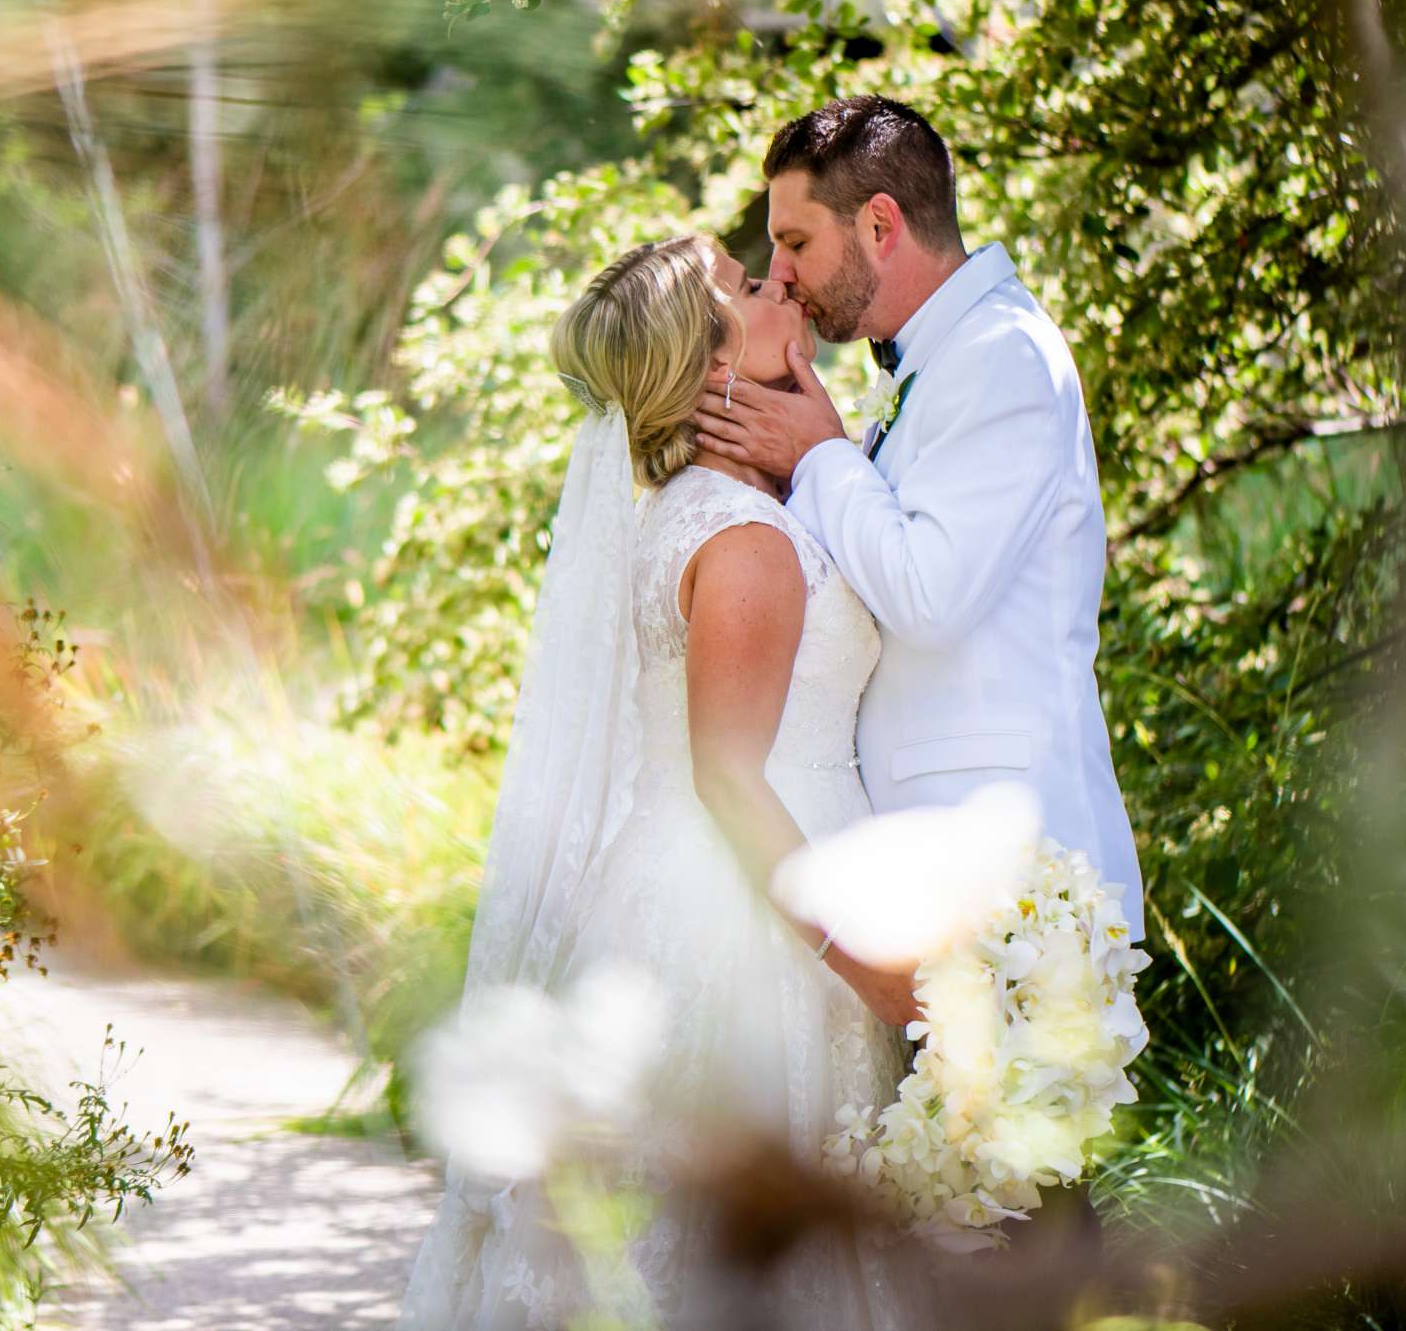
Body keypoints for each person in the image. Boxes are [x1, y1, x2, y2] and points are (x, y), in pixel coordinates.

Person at [400, 234, 921, 1331]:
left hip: (698, 894)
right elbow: (729, 779)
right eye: (744, 284)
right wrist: (868, 967)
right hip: (749, 926)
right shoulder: (742, 541)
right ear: (710, 372)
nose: (776, 279)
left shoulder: (702, 509)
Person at [692, 94, 1147, 922]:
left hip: (1019, 868)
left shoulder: (1001, 356)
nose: (781, 271)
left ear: (878, 224)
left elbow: (930, 598)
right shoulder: (937, 361)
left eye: (795, 242)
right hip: (936, 866)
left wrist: (819, 453)